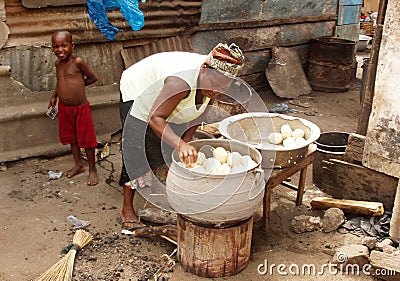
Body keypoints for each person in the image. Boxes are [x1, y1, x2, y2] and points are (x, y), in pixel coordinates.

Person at [118, 43, 245, 230]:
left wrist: (187, 138)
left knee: (170, 142)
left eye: (222, 87)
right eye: (215, 84)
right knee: (139, 148)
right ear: (203, 70)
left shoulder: (212, 79)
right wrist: (180, 144)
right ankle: (127, 208)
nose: (216, 91)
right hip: (138, 91)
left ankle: (158, 180)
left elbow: (201, 109)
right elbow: (156, 118)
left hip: (167, 96)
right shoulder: (181, 81)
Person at [48, 30, 99, 186]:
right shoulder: (57, 64)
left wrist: (78, 87)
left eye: (64, 45)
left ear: (72, 45)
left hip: (80, 108)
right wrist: (54, 96)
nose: (60, 50)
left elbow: (93, 77)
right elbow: (60, 81)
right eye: (56, 46)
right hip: (64, 108)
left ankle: (92, 169)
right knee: (72, 138)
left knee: (87, 140)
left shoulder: (78, 62)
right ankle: (78, 165)